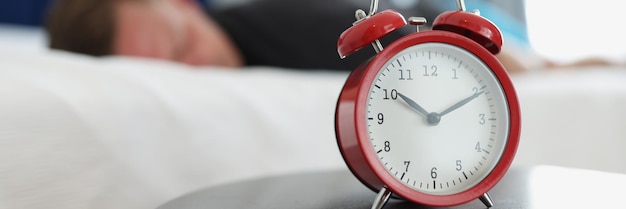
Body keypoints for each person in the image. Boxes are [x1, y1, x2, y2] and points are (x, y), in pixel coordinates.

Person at [45, 0, 534, 72]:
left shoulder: (270, 24)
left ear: (184, 6)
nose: (197, 70)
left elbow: (417, 23)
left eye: (182, 45)